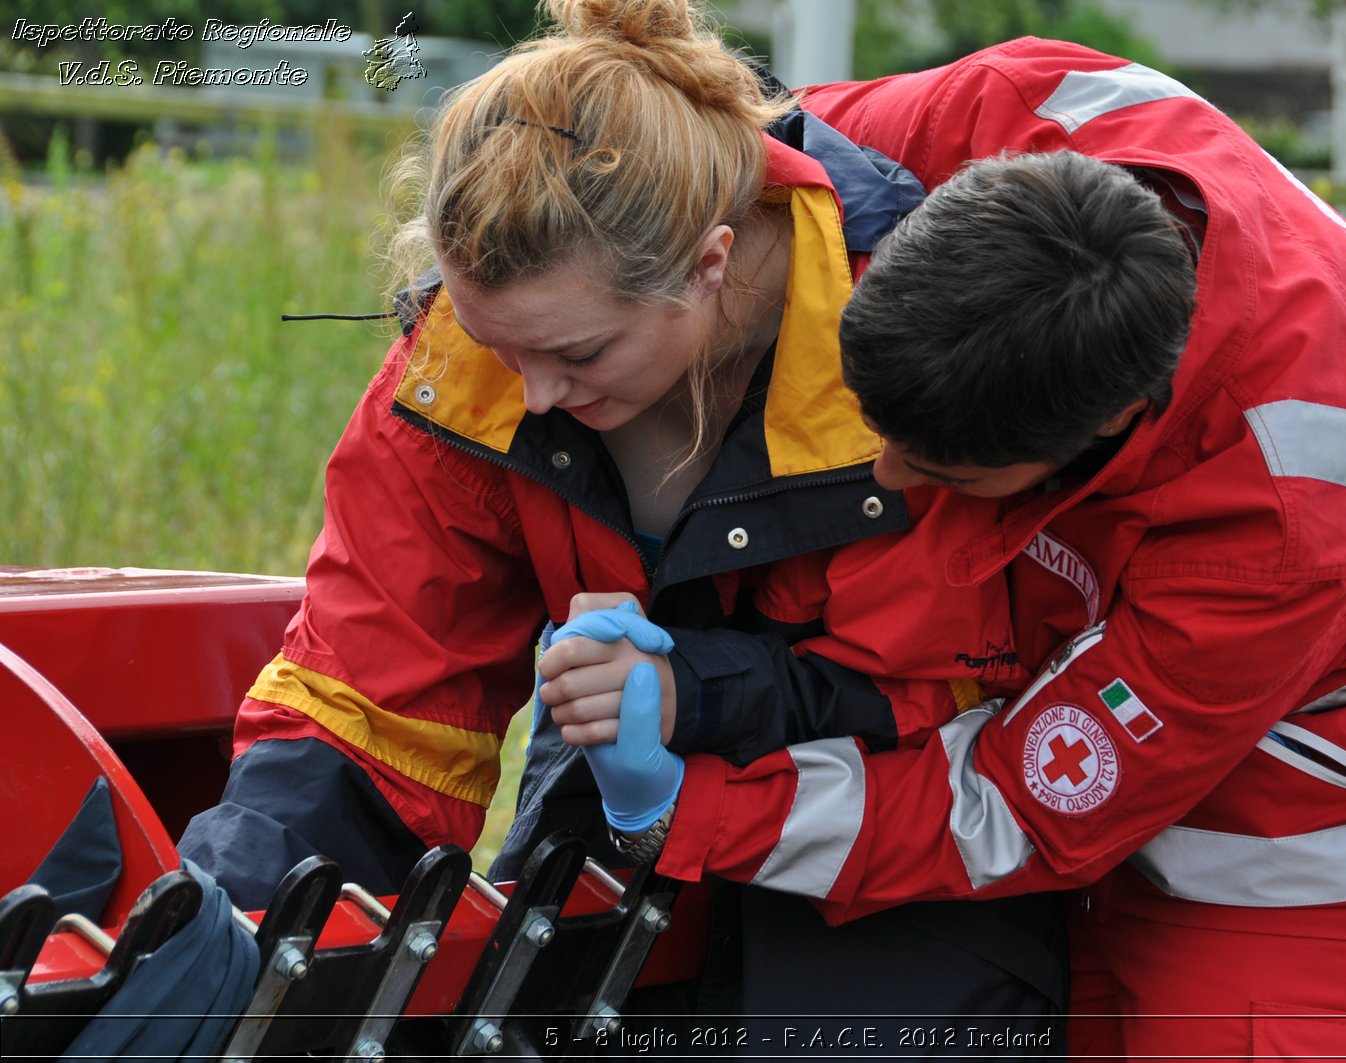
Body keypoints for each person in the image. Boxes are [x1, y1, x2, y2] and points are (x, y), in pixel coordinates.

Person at [570, 47, 1346, 1061]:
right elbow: (704, 189)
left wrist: (690, 811)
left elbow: (1013, 804)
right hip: (1131, 687)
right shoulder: (1011, 104)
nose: (889, 474)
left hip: (1340, 811)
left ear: (1109, 426)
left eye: (949, 474)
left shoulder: (1283, 514)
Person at [178, 0, 1074, 1046]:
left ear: (710, 263)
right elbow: (370, 696)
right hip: (614, 767)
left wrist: (690, 691)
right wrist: (226, 933)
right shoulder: (468, 362)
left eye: (581, 355)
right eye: (501, 348)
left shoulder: (906, 336)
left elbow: (941, 695)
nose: (538, 395)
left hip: (890, 838)